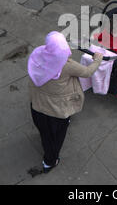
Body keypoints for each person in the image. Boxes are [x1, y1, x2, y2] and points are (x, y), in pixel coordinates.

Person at [28, 31, 103, 173]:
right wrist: (97, 60)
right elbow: (87, 72)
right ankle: (50, 161)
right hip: (56, 111)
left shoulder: (38, 55)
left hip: (37, 105)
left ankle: (48, 148)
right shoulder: (67, 65)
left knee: (44, 131)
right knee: (55, 138)